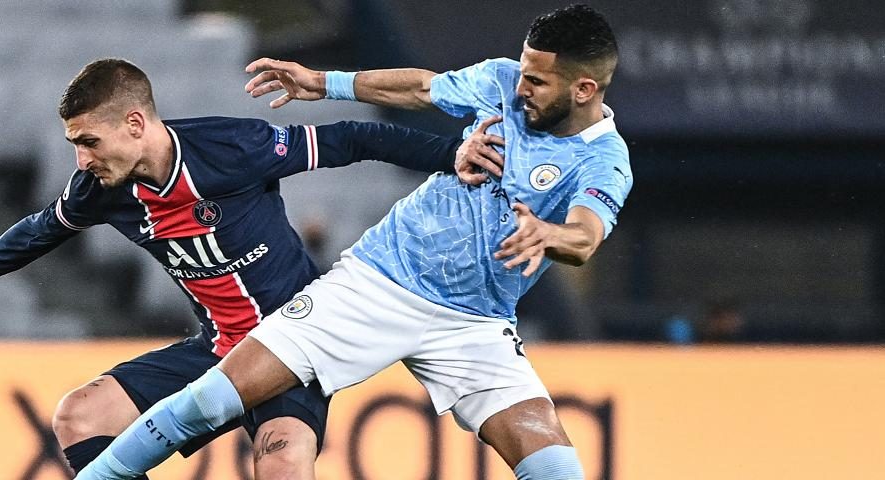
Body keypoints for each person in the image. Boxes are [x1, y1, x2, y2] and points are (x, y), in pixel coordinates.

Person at [78, 4, 632, 480]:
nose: (519, 86)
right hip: (381, 280)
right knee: (214, 397)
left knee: (552, 458)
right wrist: (325, 84)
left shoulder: (603, 163)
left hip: (476, 321)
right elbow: (422, 86)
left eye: (537, 81)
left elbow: (584, 236)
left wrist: (548, 233)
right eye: (523, 71)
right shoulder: (502, 82)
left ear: (584, 89)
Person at [0, 58, 474, 479]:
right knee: (78, 416)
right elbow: (42, 229)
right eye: (74, 145)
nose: (80, 159)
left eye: (88, 141)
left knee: (282, 460)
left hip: (295, 341)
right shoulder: (100, 189)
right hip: (218, 348)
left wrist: (451, 155)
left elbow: (355, 137)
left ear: (135, 123)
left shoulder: (231, 148)